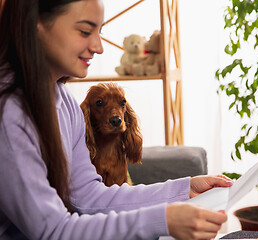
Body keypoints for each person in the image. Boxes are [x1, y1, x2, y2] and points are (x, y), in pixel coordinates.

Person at [0, 0, 233, 239]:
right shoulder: (8, 112)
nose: (98, 47)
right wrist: (163, 220)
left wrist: (184, 189)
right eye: (84, 31)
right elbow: (53, 230)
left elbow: (89, 198)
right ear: (37, 25)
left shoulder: (64, 102)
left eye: (99, 32)